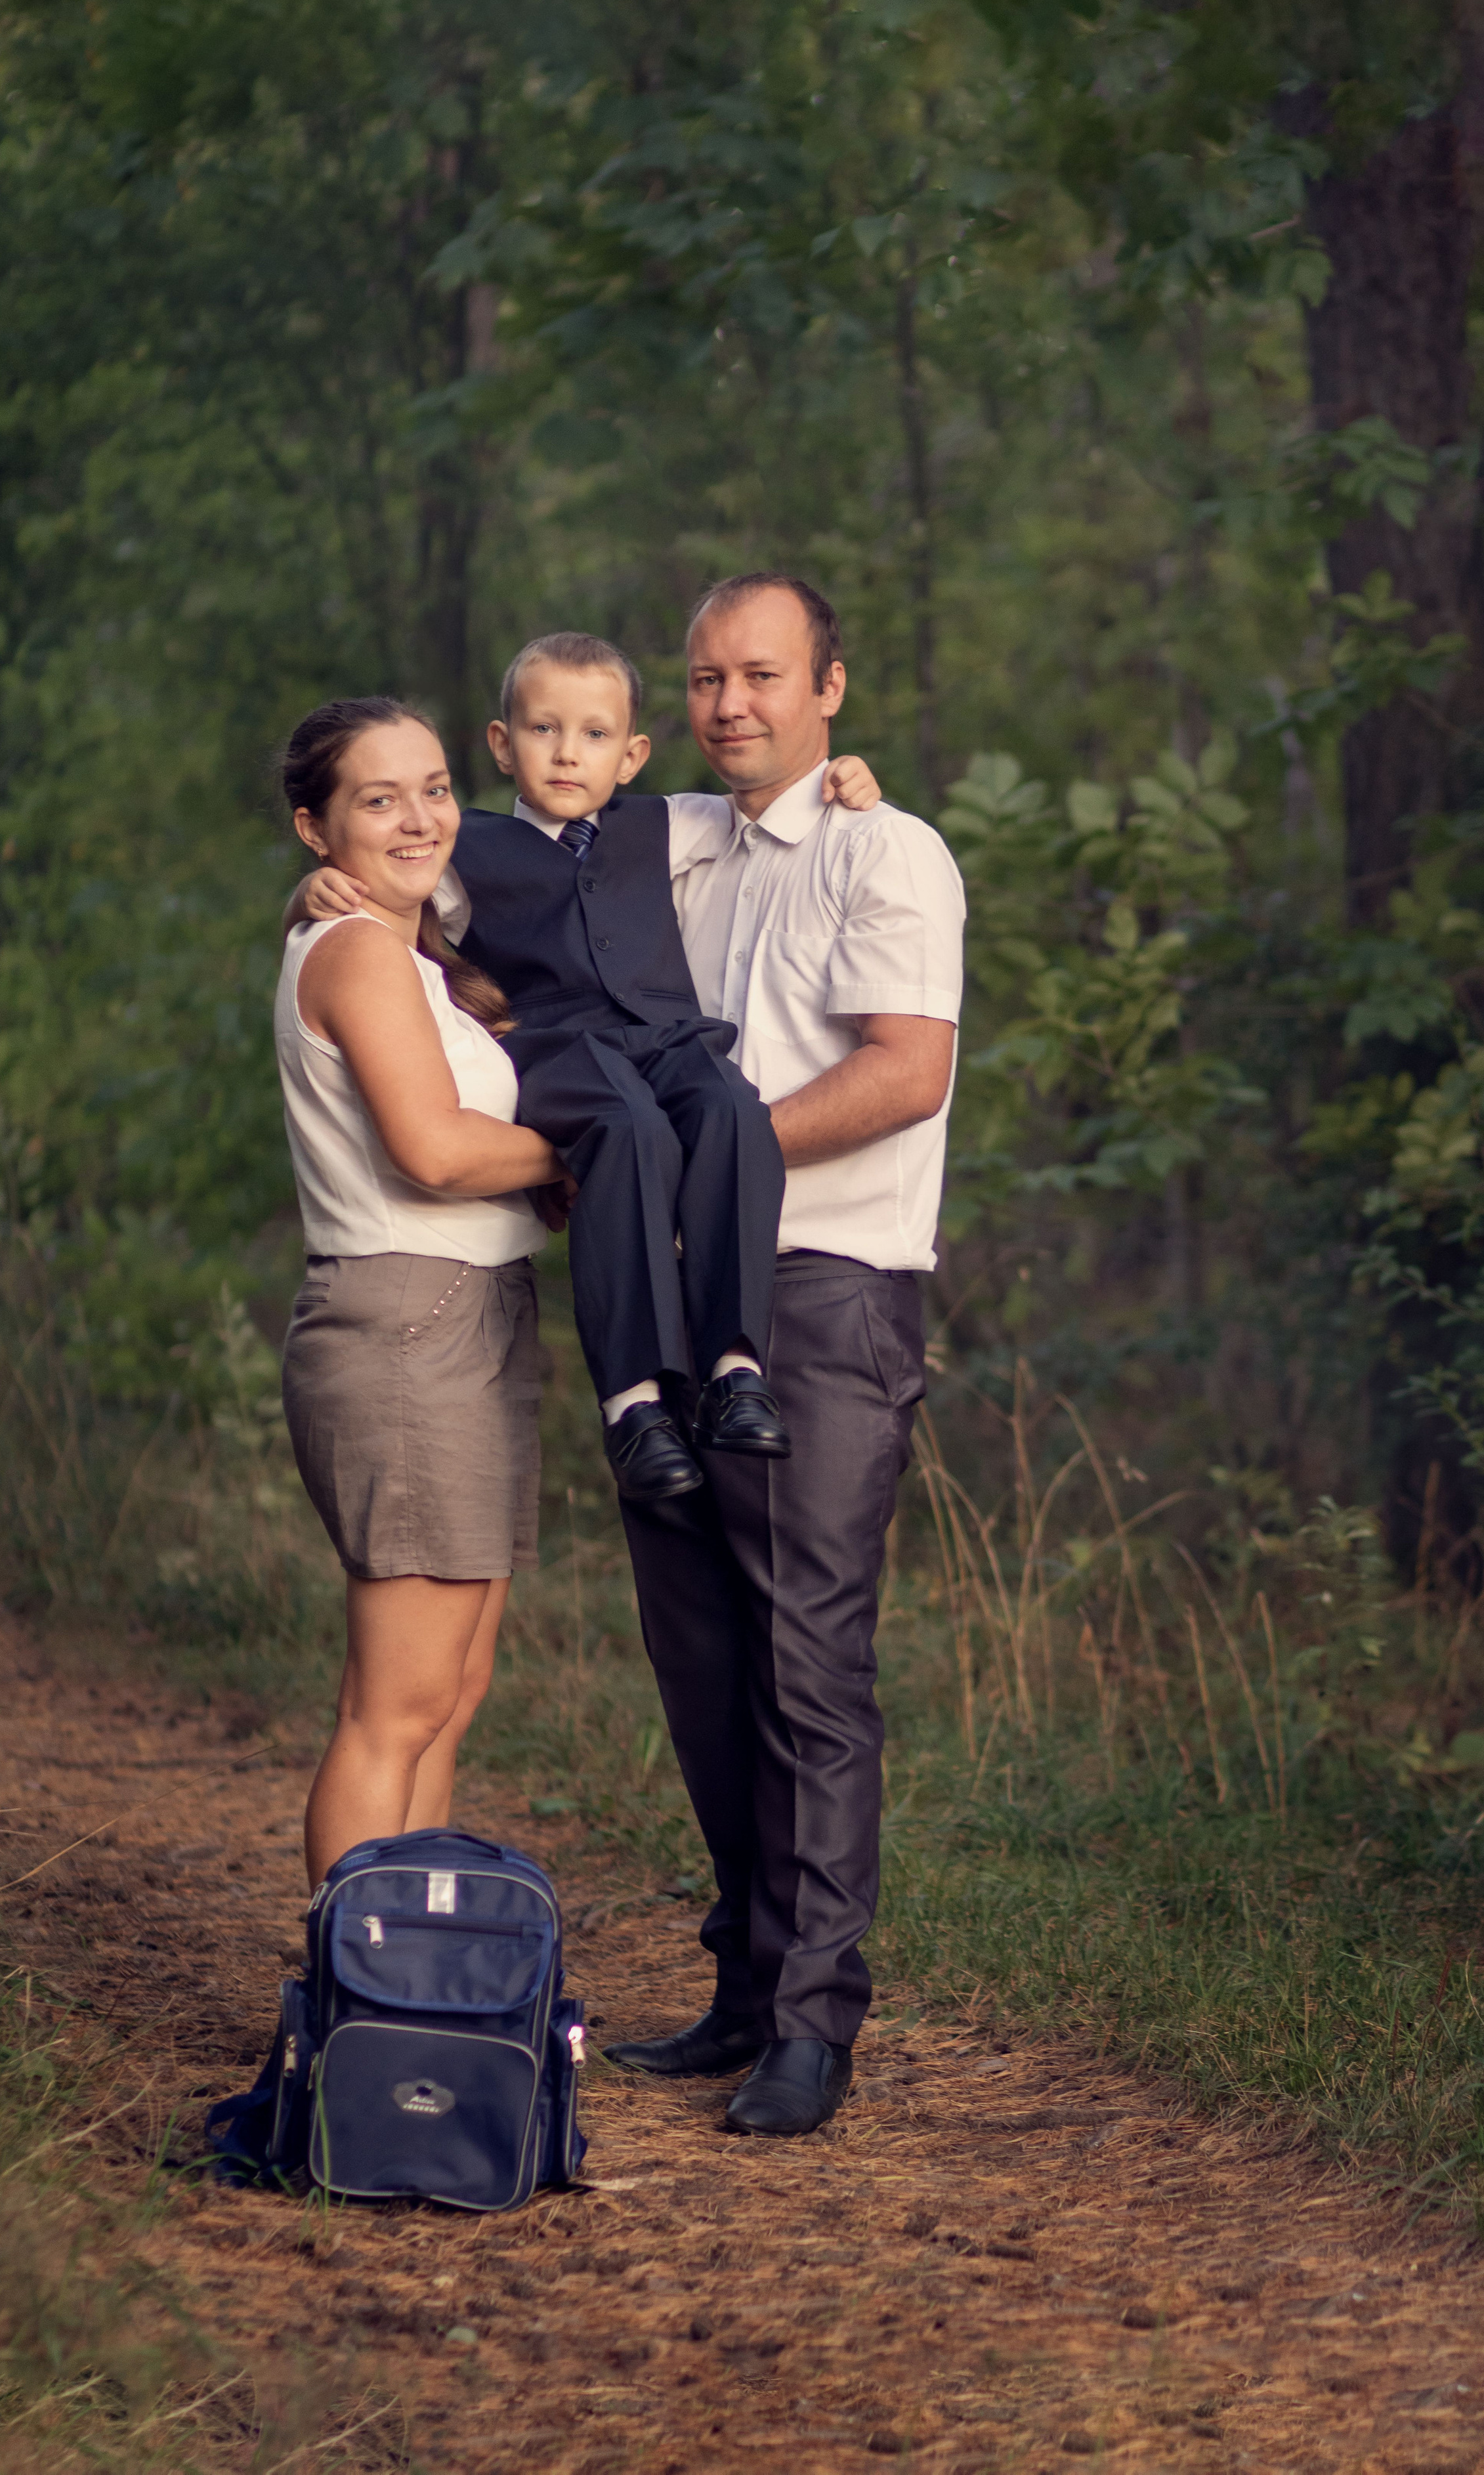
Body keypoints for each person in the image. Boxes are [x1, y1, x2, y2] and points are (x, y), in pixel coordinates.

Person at [602, 573, 966, 2138]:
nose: (729, 703)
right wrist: (341, 898)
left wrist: (711, 1160)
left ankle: (814, 2025)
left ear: (829, 687)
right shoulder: (671, 842)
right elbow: (494, 865)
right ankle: (747, 1989)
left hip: (822, 1291)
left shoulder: (888, 851)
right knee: (700, 1654)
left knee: (805, 1657)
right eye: (704, 679)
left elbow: (904, 1072)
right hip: (673, 1301)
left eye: (761, 675)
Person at [289, 631, 885, 1506]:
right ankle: (634, 1401)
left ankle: (734, 1366)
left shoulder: (669, 823)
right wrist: (307, 892)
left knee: (733, 1112)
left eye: (596, 735)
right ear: (502, 744)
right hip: (558, 1053)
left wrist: (845, 777)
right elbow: (380, 895)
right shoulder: (461, 848)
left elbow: (776, 802)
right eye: (544, 730)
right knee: (627, 1130)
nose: (569, 753)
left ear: (632, 755)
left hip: (667, 1039)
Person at [274, 696, 564, 1886]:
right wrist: (599, 1150)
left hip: (472, 1312)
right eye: (378, 799)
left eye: (435, 789)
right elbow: (435, 1152)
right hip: (406, 1321)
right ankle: (350, 1980)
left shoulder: (414, 949)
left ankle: (412, 1965)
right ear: (317, 828)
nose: (419, 819)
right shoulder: (355, 952)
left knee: (448, 1694)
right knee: (394, 1707)